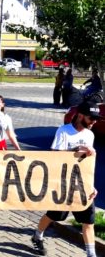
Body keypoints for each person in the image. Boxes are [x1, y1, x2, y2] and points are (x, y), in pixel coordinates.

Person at [31, 101, 100, 257]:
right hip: (63, 184)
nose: (94, 122)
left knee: (88, 221)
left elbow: (88, 165)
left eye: (96, 119)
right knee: (55, 216)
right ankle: (37, 235)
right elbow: (54, 157)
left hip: (82, 185)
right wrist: (76, 150)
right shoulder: (64, 131)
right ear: (81, 115)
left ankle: (91, 254)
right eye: (91, 118)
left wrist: (91, 185)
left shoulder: (90, 135)